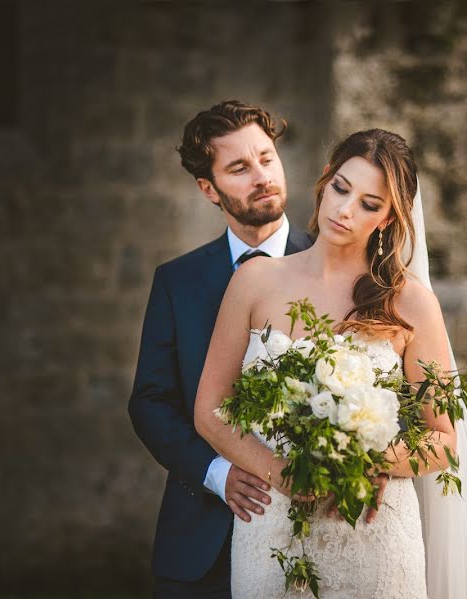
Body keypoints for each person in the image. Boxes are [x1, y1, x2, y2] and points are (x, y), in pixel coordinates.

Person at [194, 129, 467, 598]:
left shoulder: (410, 303)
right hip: (271, 528)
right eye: (342, 188)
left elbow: (445, 438)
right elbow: (209, 409)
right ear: (325, 182)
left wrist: (371, 461)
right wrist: (277, 470)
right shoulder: (254, 281)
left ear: (389, 218)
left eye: (370, 204)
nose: (345, 210)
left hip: (376, 534)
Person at [128, 100, 313, 599]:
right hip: (201, 545)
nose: (262, 176)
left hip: (313, 535)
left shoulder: (330, 269)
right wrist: (217, 472)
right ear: (208, 189)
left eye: (267, 158)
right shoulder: (177, 282)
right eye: (239, 167)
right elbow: (150, 402)